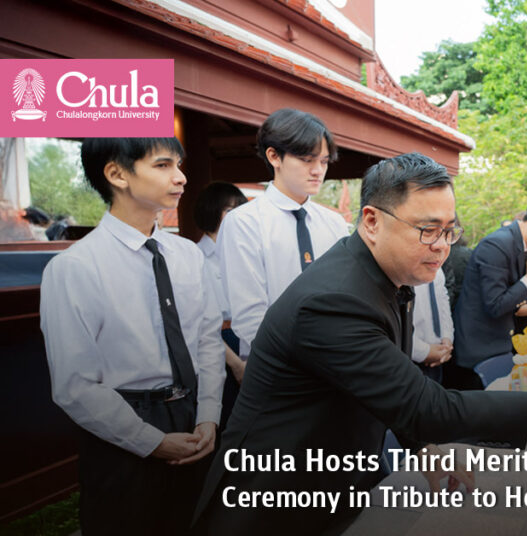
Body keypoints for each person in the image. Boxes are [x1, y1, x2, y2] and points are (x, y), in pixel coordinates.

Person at [193, 153, 527, 534]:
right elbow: (424, 406)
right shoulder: (334, 301)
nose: (439, 247)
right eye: (426, 230)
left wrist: (422, 447)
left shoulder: (390, 276)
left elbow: (387, 385)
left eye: (448, 231)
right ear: (372, 221)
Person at [40, 138, 224, 535]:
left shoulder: (187, 255)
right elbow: (75, 385)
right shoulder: (74, 268)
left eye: (178, 164)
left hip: (195, 418)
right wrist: (151, 441)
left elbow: (208, 341)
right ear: (116, 174)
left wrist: (209, 416)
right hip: (122, 428)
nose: (180, 177)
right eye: (162, 165)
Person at [217, 108, 349, 361]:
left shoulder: (334, 223)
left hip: (334, 365)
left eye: (323, 161)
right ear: (274, 156)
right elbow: (249, 316)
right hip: (275, 368)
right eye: (307, 160)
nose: (318, 170)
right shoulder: (244, 222)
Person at [452, 195, 527, 388]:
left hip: (502, 345)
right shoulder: (497, 245)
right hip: (479, 351)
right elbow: (496, 305)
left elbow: (518, 298)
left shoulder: (523, 246)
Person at [193, 181, 249, 425]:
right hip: (218, 346)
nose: (238, 216)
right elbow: (201, 323)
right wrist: (236, 364)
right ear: (211, 210)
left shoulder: (245, 252)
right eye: (230, 210)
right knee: (226, 422)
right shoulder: (195, 257)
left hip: (250, 340)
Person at [411, 267, 454, 383]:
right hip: (410, 358)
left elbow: (443, 298)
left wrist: (447, 338)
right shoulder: (402, 269)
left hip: (438, 352)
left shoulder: (437, 267)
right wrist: (424, 352)